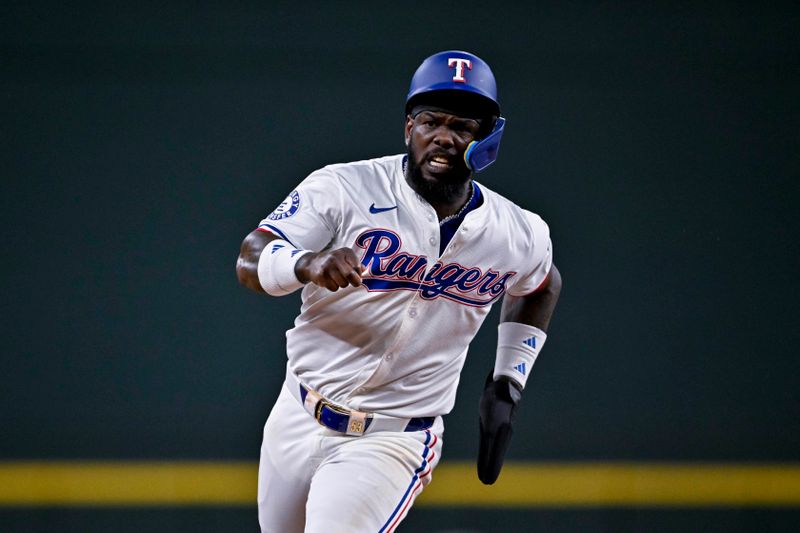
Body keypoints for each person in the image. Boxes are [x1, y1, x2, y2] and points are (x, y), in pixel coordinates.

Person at [236, 50, 561, 533]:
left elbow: (541, 282)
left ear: (488, 140)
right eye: (431, 120)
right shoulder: (343, 187)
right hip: (296, 411)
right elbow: (251, 256)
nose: (444, 137)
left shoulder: (517, 232)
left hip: (391, 438)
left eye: (463, 126)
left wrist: (508, 380)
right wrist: (306, 262)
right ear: (409, 127)